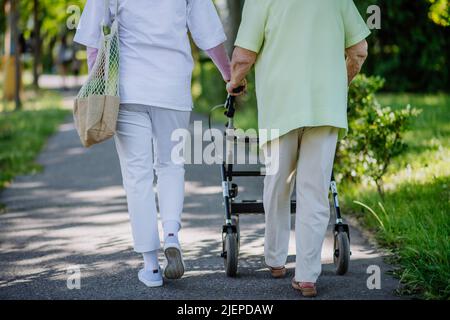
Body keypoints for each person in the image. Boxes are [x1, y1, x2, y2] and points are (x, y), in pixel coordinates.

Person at [74, 0, 231, 288]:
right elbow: (208, 32)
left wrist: (95, 81)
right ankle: (171, 234)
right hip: (173, 89)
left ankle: (151, 266)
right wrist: (228, 75)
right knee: (171, 165)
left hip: (128, 90)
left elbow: (93, 35)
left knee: (137, 176)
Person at [227, 0, 370, 297]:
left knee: (278, 184)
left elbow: (243, 56)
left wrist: (234, 83)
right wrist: (338, 84)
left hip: (282, 107)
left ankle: (276, 259)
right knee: (314, 190)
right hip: (325, 109)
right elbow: (359, 50)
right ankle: (306, 276)